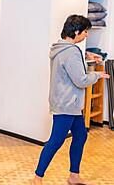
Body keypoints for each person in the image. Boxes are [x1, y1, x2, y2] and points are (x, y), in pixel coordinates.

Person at [31, 15, 110, 185]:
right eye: (86, 32)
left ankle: (74, 176)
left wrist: (88, 61)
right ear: (76, 32)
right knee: (56, 141)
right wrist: (96, 75)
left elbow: (72, 72)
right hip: (66, 104)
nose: (87, 35)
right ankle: (37, 178)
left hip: (68, 103)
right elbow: (80, 80)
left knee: (80, 136)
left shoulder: (60, 48)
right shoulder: (72, 52)